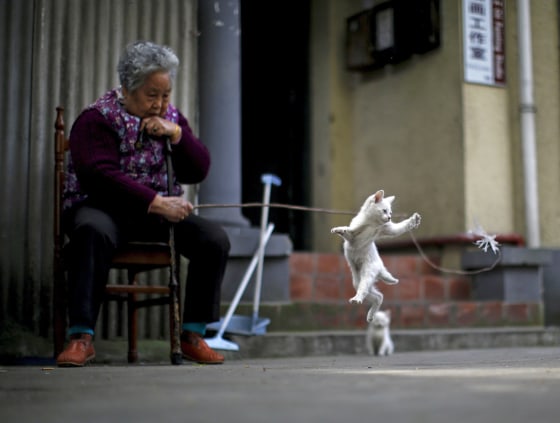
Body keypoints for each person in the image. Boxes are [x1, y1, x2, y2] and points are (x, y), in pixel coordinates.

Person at [56, 40, 230, 367]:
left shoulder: (171, 119)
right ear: (127, 88)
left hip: (154, 213)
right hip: (101, 207)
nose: (160, 104)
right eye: (152, 95)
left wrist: (178, 134)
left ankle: (192, 335)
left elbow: (199, 169)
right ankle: (81, 337)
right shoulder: (97, 118)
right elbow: (99, 175)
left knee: (213, 239)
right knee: (92, 230)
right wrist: (155, 201)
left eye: (166, 95)